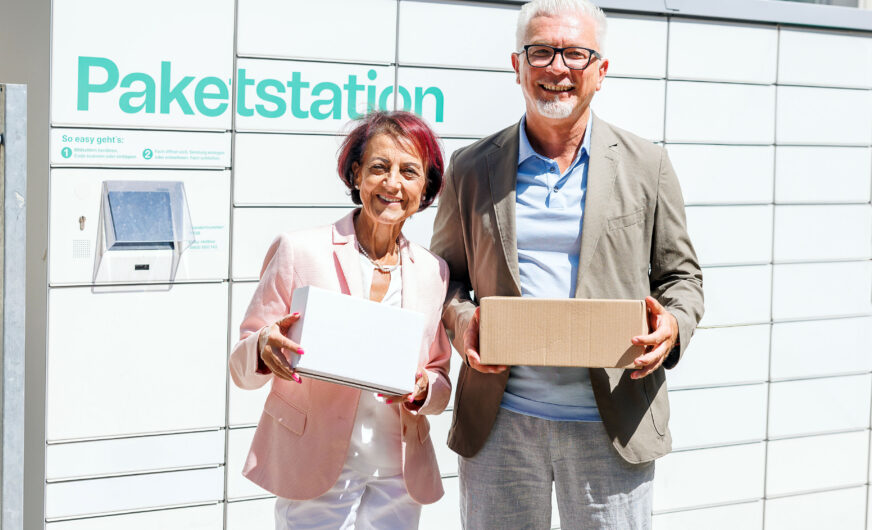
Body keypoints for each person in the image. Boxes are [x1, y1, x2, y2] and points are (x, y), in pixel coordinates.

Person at [430, 0, 705, 528]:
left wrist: (672, 325)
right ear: (517, 66)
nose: (557, 67)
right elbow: (445, 278)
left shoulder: (647, 165)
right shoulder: (471, 167)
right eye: (540, 52)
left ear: (600, 71)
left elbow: (682, 279)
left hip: (612, 422)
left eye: (575, 53)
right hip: (500, 422)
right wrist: (462, 320)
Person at [230, 111, 451, 530]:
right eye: (379, 168)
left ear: (426, 187)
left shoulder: (432, 271)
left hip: (397, 472)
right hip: (316, 460)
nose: (393, 184)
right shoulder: (300, 250)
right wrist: (262, 347)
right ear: (356, 175)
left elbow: (439, 375)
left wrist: (425, 389)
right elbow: (241, 363)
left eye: (409, 172)